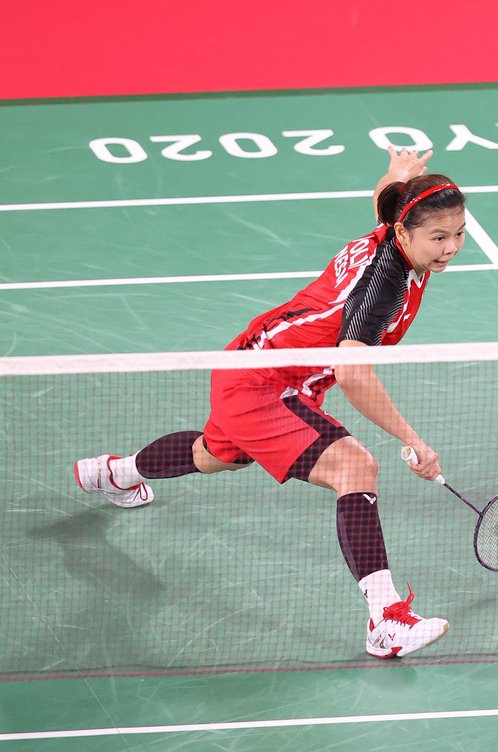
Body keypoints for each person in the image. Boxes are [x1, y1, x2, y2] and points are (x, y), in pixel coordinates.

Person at [73, 147, 466, 659]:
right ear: (404, 233)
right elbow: (354, 375)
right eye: (439, 237)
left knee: (213, 456)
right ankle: (385, 620)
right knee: (355, 467)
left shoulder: (395, 232)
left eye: (459, 233)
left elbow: (384, 202)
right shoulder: (383, 286)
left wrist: (396, 176)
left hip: (256, 360)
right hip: (263, 382)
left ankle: (115, 473)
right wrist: (413, 440)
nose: (450, 248)